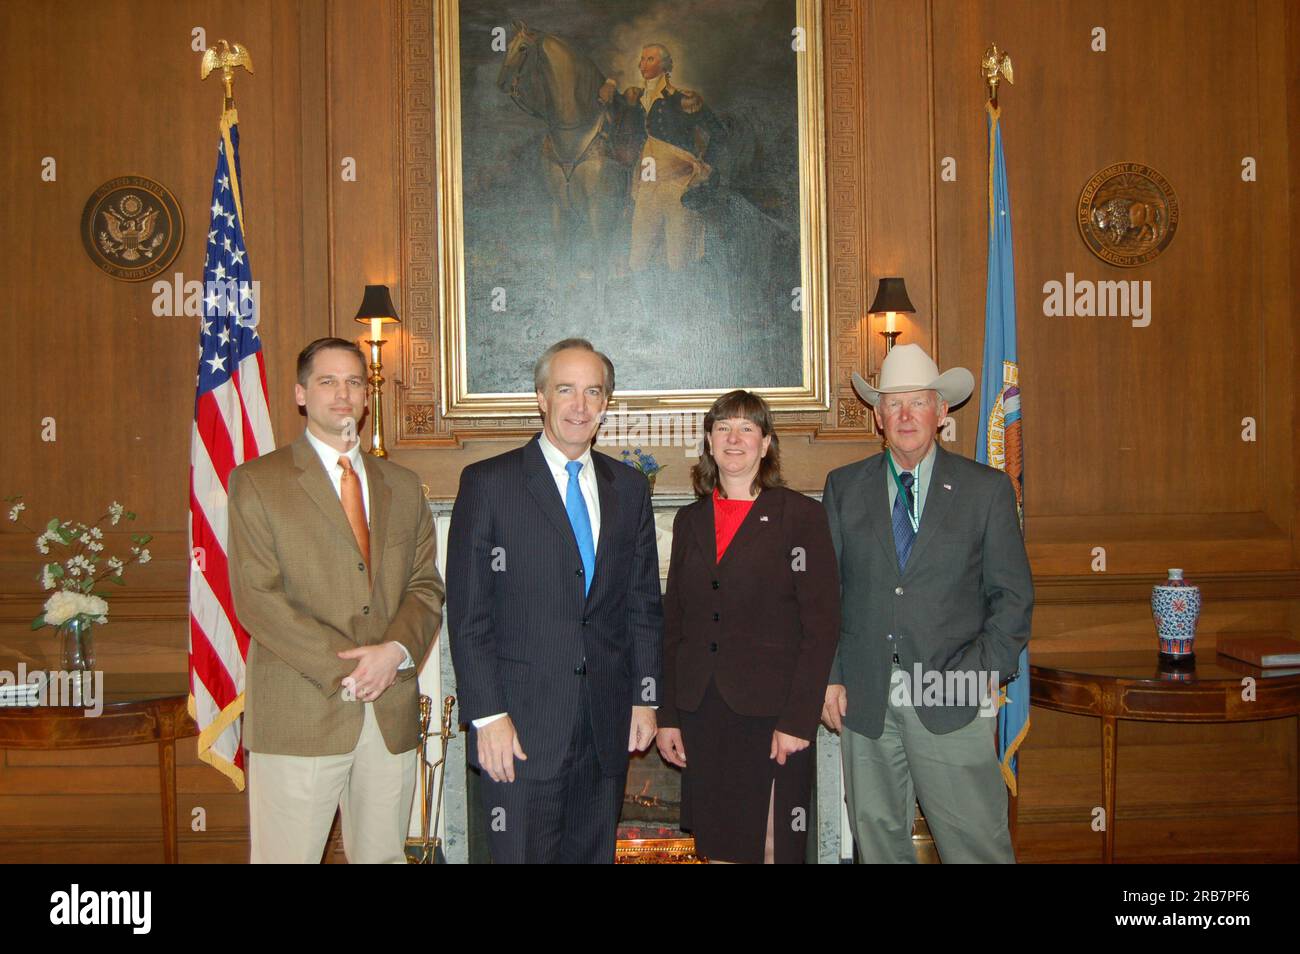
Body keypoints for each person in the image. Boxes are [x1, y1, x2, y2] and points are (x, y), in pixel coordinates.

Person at [228, 336, 445, 864]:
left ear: (366, 399)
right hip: (302, 709)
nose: (343, 393)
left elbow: (425, 586)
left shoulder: (402, 483)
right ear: (301, 394)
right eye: (327, 381)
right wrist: (348, 669)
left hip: (388, 712)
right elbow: (257, 598)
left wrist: (392, 653)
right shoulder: (258, 482)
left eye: (354, 381)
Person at [446, 338, 662, 863]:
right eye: (566, 390)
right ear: (541, 397)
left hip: (605, 726)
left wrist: (644, 697)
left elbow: (642, 604)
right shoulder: (488, 483)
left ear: (606, 403)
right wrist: (486, 714)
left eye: (593, 392)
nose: (580, 406)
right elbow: (469, 613)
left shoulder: (628, 488)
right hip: (518, 729)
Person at [820, 343, 1033, 863]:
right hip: (865, 697)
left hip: (953, 690)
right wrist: (828, 676)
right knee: (877, 840)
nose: (906, 415)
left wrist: (984, 670)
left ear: (942, 412)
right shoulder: (843, 488)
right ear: (877, 416)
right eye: (894, 403)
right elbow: (827, 595)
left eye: (918, 402)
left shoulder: (987, 491)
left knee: (976, 844)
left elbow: (1013, 596)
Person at [657, 390, 839, 863]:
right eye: (723, 428)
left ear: (765, 444)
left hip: (774, 718)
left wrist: (799, 720)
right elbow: (673, 622)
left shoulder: (799, 516)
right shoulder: (689, 520)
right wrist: (668, 716)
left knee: (773, 847)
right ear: (709, 443)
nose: (734, 438)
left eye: (747, 429)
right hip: (704, 715)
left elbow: (821, 626)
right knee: (719, 848)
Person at [599, 43, 723, 273]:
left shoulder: (683, 99)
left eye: (650, 59)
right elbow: (613, 108)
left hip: (679, 186)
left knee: (680, 261)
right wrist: (611, 83)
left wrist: (705, 172)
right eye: (642, 59)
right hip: (647, 185)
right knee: (639, 260)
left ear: (665, 65)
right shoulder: (636, 98)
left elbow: (719, 133)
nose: (642, 64)